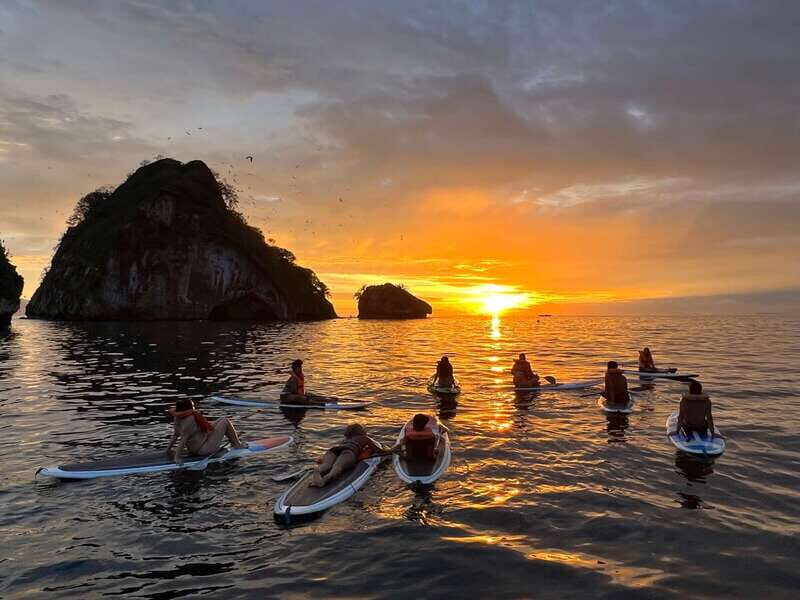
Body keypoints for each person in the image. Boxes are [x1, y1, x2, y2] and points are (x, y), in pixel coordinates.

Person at [166, 399, 247, 465]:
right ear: (189, 409)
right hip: (203, 449)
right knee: (225, 421)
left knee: (221, 419)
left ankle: (235, 443)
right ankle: (237, 444)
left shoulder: (177, 418)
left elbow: (175, 435)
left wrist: (168, 450)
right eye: (193, 407)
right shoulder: (190, 419)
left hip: (196, 447)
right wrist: (177, 458)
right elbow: (183, 439)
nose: (194, 409)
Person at [310, 424, 383, 487]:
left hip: (334, 450)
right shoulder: (365, 438)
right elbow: (380, 451)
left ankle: (317, 471)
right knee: (338, 467)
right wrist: (393, 450)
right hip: (348, 451)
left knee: (326, 465)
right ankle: (325, 480)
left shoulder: (345, 439)